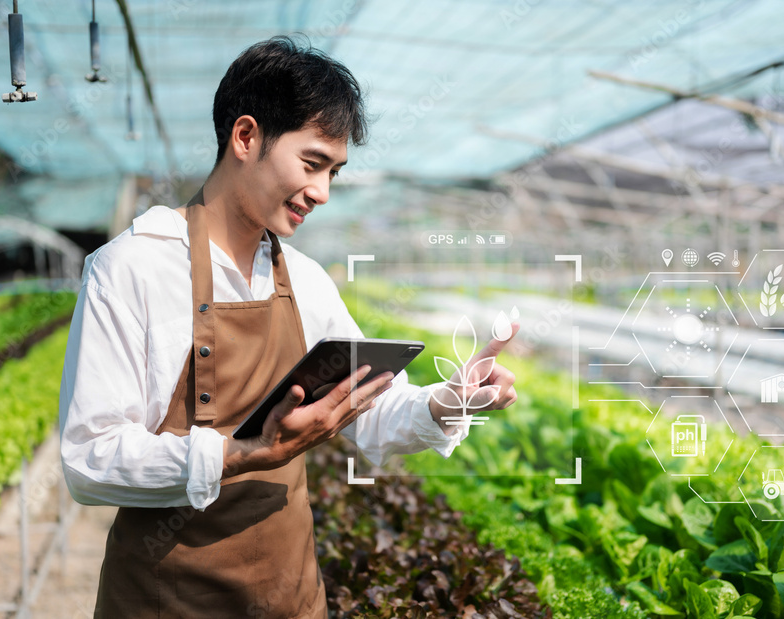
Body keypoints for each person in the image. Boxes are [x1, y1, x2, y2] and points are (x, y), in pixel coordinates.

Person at [58, 36, 518, 618]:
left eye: (335, 172)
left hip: (290, 596)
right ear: (245, 138)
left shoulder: (305, 281)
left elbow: (374, 415)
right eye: (312, 164)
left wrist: (453, 399)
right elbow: (89, 460)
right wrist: (242, 453)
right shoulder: (133, 269)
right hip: (166, 600)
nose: (322, 192)